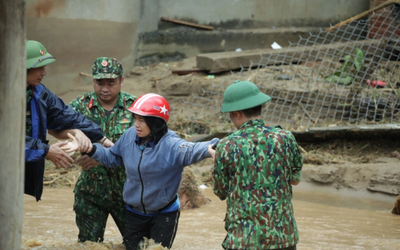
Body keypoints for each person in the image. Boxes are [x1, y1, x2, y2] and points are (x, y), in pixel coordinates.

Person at [69, 93, 219, 250]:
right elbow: (112, 156)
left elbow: (190, 149)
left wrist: (211, 148)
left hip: (163, 215)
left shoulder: (170, 144)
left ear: (155, 123)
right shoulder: (129, 136)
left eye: (142, 120)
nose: (136, 124)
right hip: (134, 213)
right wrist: (91, 148)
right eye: (135, 118)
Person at [211, 80, 303, 250]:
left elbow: (220, 191)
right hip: (283, 239)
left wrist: (218, 159)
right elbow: (295, 180)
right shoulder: (286, 138)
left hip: (243, 240)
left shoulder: (227, 145)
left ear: (237, 114)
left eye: (230, 115)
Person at [25, 40, 109, 202]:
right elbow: (6, 140)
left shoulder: (38, 92)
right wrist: (45, 150)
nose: (44, 73)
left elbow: (66, 115)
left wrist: (100, 137)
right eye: (39, 67)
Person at [68, 57, 137, 243]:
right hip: (91, 193)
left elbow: (147, 147)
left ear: (121, 81)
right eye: (99, 82)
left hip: (128, 193)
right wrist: (76, 132)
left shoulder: (135, 108)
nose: (104, 88)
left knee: (138, 244)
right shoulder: (81, 105)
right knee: (89, 245)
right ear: (93, 81)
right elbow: (55, 125)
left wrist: (101, 156)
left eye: (111, 83)